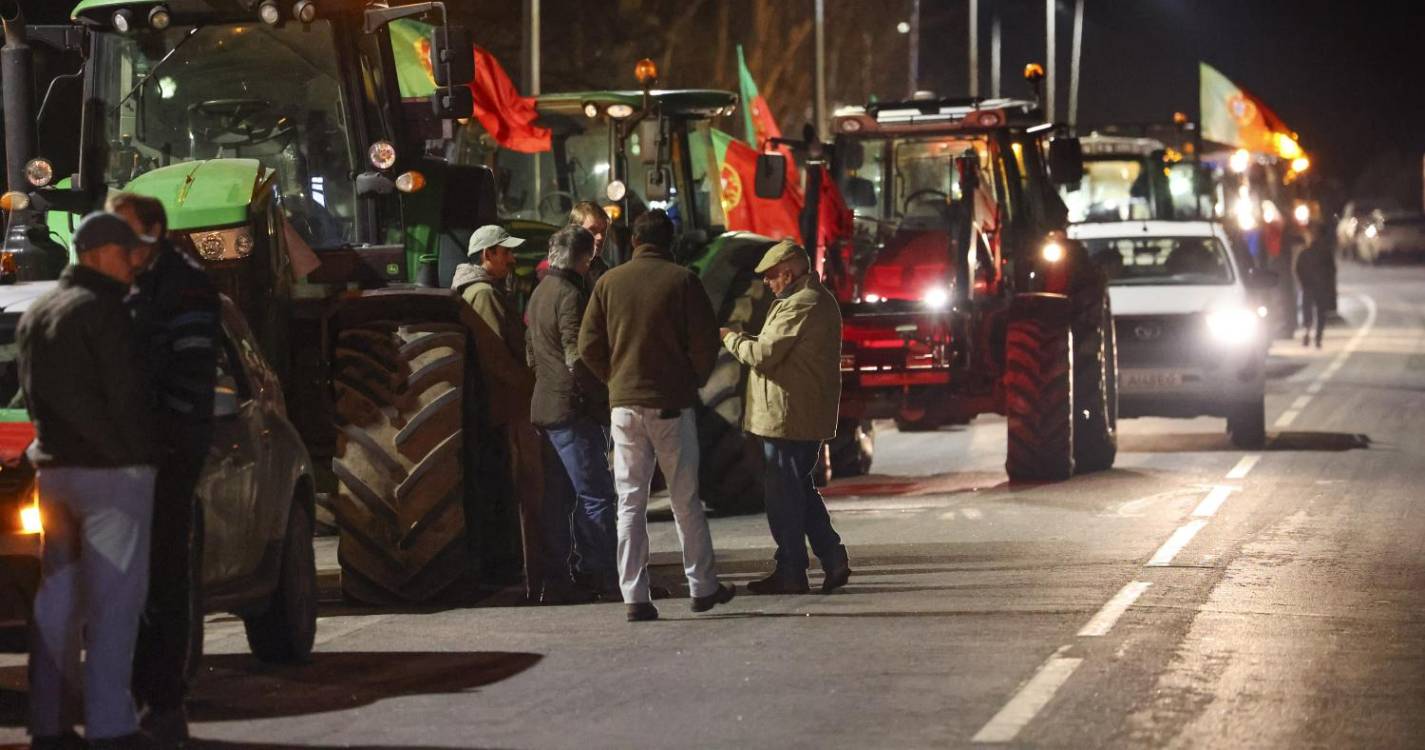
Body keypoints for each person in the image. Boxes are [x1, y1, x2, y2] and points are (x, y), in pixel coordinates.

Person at [19, 213, 159, 749]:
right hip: (110, 478)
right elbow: (124, 398)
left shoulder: (39, 311)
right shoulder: (106, 313)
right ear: (100, 253)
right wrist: (135, 453)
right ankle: (111, 725)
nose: (135, 263)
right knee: (114, 605)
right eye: (128, 253)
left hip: (54, 473)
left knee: (58, 602)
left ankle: (48, 724)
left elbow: (35, 397)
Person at [578, 209, 736, 622]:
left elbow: (587, 345)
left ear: (633, 241)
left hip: (624, 409)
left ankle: (635, 597)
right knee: (685, 499)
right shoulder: (684, 281)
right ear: (671, 241)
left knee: (629, 502)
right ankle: (702, 588)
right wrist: (691, 381)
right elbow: (705, 345)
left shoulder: (608, 283)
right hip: (670, 406)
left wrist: (614, 379)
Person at [106, 193, 221, 746]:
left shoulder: (185, 285)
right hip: (128, 453)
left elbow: (189, 373)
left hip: (166, 452)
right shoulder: (130, 280)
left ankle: (164, 702)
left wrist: (157, 436)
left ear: (152, 229)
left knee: (161, 581)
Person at [719, 241, 851, 595]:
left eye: (771, 276)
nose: (766, 283)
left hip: (790, 415)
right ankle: (831, 556)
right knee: (798, 489)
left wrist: (731, 339)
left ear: (788, 273)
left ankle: (792, 570)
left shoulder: (803, 304)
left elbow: (763, 354)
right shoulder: (802, 301)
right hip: (791, 413)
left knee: (783, 494)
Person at [452, 225, 546, 600]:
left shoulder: (486, 292)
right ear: (487, 254)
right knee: (505, 487)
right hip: (503, 406)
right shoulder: (483, 295)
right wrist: (530, 387)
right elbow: (496, 358)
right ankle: (505, 564)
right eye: (505, 252)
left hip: (501, 405)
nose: (512, 258)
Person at [527, 225, 617, 602]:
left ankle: (557, 578)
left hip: (545, 408)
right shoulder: (570, 294)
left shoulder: (538, 293)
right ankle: (598, 573)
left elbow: (531, 355)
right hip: (571, 412)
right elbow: (576, 356)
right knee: (596, 495)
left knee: (558, 501)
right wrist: (600, 395)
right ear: (586, 259)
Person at [1296, 227, 1336, 349]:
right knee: (1321, 313)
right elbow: (1332, 271)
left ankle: (1307, 332)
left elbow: (1298, 269)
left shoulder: (1304, 253)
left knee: (1307, 311)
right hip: (1321, 287)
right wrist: (1329, 286)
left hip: (1308, 287)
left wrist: (1303, 283)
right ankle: (1318, 337)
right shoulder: (1326, 252)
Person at [567, 201, 613, 279]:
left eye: (603, 231)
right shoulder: (553, 268)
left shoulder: (599, 267)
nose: (600, 237)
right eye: (592, 230)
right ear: (573, 230)